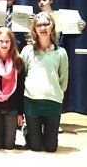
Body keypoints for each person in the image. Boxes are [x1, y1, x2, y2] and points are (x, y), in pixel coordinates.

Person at [21, 12, 69, 152]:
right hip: (32, 103)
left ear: (52, 26)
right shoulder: (27, 51)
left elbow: (63, 79)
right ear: (34, 28)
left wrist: (57, 93)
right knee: (35, 147)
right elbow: (22, 76)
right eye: (39, 25)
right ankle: (28, 129)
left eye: (46, 24)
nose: (43, 28)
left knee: (50, 147)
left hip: (53, 103)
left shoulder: (61, 53)